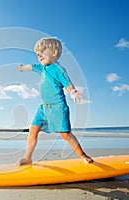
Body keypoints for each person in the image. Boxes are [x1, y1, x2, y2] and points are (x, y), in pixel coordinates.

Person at [17, 37, 93, 166]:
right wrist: (22, 68)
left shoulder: (58, 69)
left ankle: (82, 155)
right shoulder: (42, 68)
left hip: (58, 107)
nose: (39, 56)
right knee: (33, 131)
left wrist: (73, 92)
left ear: (55, 52)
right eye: (37, 54)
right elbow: (32, 66)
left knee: (65, 134)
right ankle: (27, 158)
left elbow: (67, 82)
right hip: (43, 108)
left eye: (42, 52)